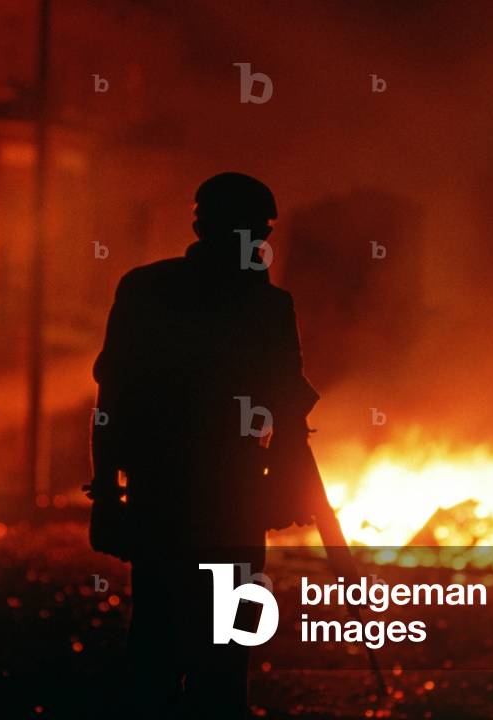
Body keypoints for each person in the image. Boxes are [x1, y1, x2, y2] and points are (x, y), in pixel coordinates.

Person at [88, 172, 320, 718]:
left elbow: (112, 399)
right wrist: (285, 486)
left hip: (174, 501)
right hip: (219, 506)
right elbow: (287, 409)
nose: (259, 242)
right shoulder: (261, 307)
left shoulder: (149, 289)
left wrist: (107, 493)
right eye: (254, 230)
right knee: (211, 660)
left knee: (169, 655)